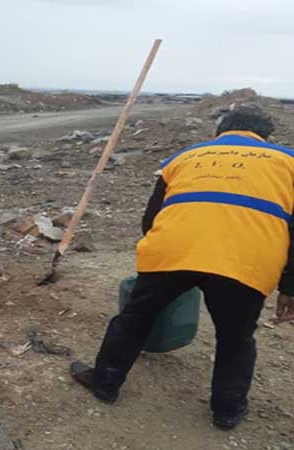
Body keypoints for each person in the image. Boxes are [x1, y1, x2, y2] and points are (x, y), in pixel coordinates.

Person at [70, 106, 294, 430]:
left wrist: (168, 263)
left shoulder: (187, 156)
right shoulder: (288, 162)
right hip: (246, 261)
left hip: (174, 250)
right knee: (236, 337)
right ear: (265, 137)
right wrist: (289, 288)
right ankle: (228, 411)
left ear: (220, 132)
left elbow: (150, 219)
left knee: (135, 318)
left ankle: (105, 383)